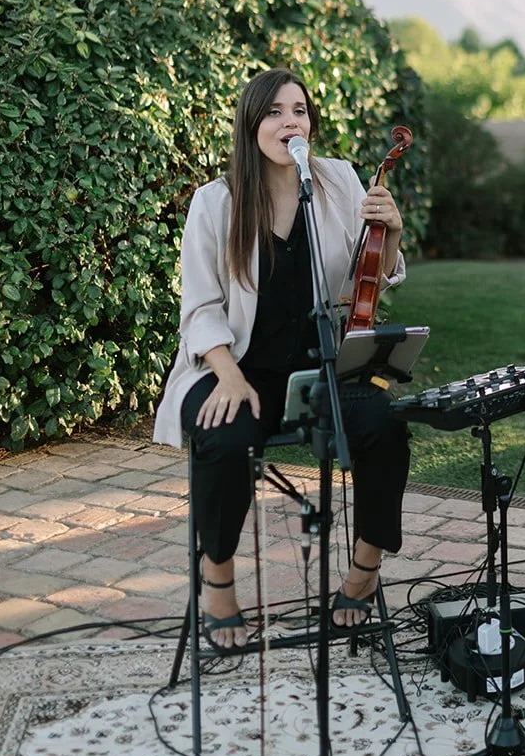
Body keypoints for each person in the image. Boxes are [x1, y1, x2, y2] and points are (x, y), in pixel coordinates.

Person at [154, 67, 410, 649]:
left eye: (299, 110)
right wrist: (227, 376)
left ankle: (364, 570)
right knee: (223, 433)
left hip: (320, 369)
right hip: (232, 365)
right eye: (273, 112)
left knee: (383, 422)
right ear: (251, 126)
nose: (289, 121)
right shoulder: (215, 203)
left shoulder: (340, 182)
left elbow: (369, 278)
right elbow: (200, 307)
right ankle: (217, 577)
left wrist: (390, 232)